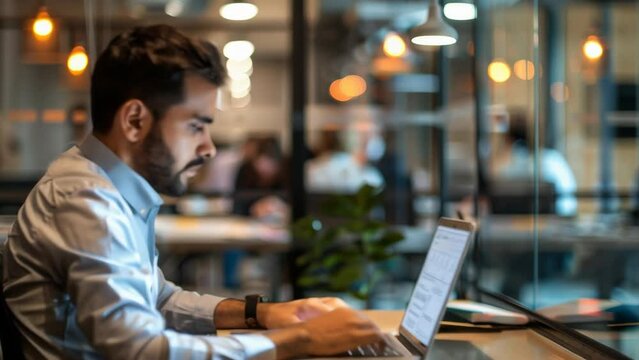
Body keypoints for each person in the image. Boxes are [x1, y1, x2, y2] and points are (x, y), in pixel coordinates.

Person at [1, 25, 382, 359]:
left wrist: (263, 314)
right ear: (135, 121)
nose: (209, 148)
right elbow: (138, 349)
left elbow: (158, 298)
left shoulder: (107, 188)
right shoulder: (85, 200)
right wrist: (297, 340)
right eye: (196, 126)